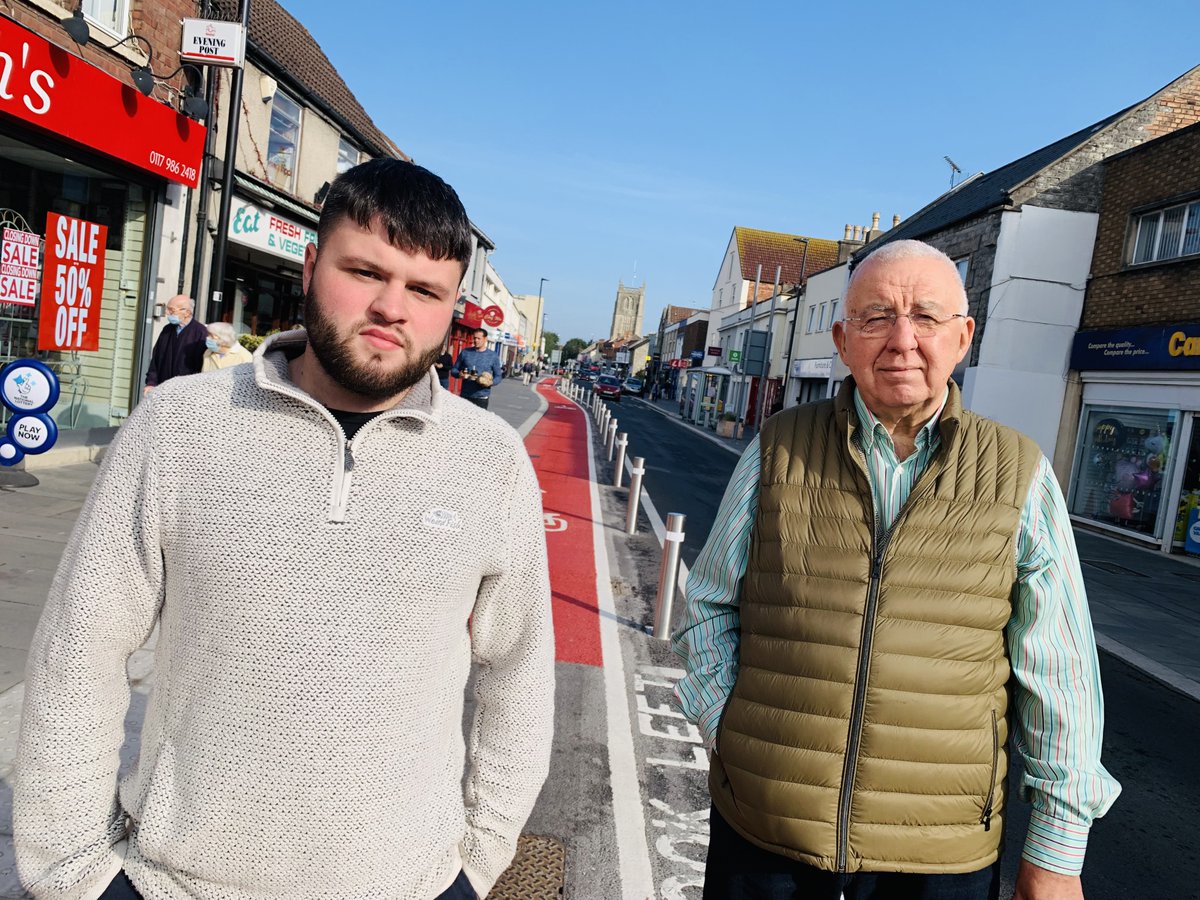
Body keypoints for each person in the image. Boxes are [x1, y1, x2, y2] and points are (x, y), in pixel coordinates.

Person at [14, 159, 554, 900]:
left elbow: (519, 675)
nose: (391, 307)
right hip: (177, 882)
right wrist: (73, 868)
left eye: (424, 290)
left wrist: (478, 860)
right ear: (311, 266)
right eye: (364, 271)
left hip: (407, 884)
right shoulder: (179, 426)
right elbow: (80, 649)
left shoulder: (490, 461)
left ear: (451, 308)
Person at [672, 240, 1119, 900]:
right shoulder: (779, 448)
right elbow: (709, 602)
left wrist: (1056, 852)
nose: (902, 340)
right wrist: (731, 727)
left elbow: (1061, 675)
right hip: (765, 838)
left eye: (926, 317)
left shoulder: (1018, 474)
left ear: (964, 338)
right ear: (843, 339)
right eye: (877, 316)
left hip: (938, 858)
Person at [143, 294, 206, 394]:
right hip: (162, 389)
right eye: (168, 309)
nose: (168, 313)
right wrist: (151, 382)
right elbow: (156, 359)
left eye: (172, 310)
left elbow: (201, 367)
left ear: (187, 312)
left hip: (185, 392)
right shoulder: (167, 330)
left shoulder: (200, 333)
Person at [452, 327, 503, 409]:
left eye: (479, 338)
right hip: (465, 395)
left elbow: (498, 376)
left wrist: (491, 382)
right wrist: (459, 374)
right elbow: (454, 370)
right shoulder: (465, 352)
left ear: (485, 339)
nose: (476, 340)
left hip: (482, 397)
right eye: (475, 338)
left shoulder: (493, 356)